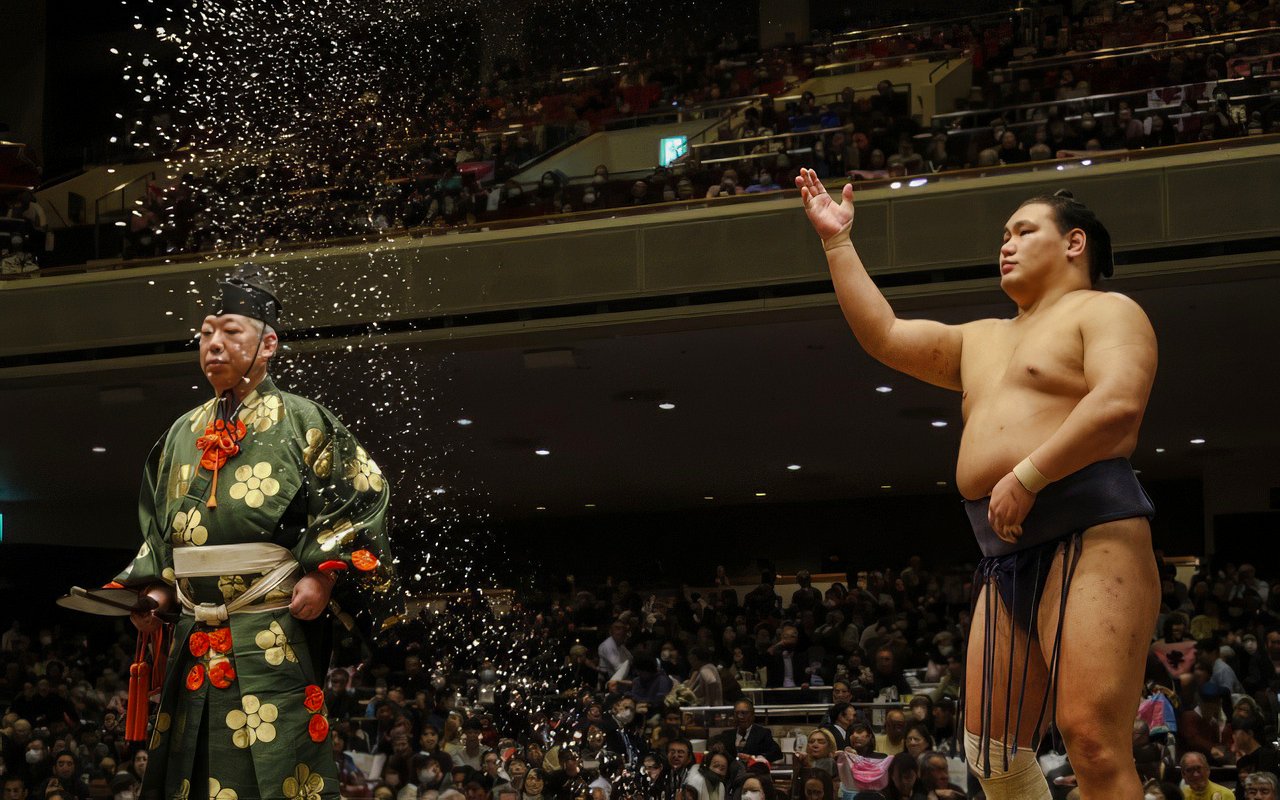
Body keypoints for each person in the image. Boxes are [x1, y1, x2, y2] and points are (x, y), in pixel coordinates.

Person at [796, 169, 1160, 799]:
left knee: (1093, 741)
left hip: (1092, 531)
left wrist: (1029, 473)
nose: (1007, 244)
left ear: (1074, 243)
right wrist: (838, 244)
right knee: (990, 756)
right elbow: (883, 336)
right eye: (1003, 235)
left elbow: (1118, 407)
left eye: (1023, 230)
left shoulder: (1107, 311)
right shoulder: (980, 339)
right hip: (1003, 554)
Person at [113, 264, 403, 800]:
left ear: (268, 344)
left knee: (277, 763)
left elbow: (361, 497)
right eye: (205, 334)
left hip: (271, 625)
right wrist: (153, 590)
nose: (214, 345)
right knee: (190, 771)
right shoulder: (181, 432)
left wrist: (323, 574)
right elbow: (159, 531)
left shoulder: (304, 420)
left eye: (230, 333)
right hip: (193, 631)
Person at [712, 699, 782, 763]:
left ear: (752, 715)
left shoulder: (762, 734)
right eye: (737, 713)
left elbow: (777, 753)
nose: (740, 716)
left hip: (753, 773)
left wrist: (754, 758)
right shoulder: (727, 735)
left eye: (744, 713)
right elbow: (712, 744)